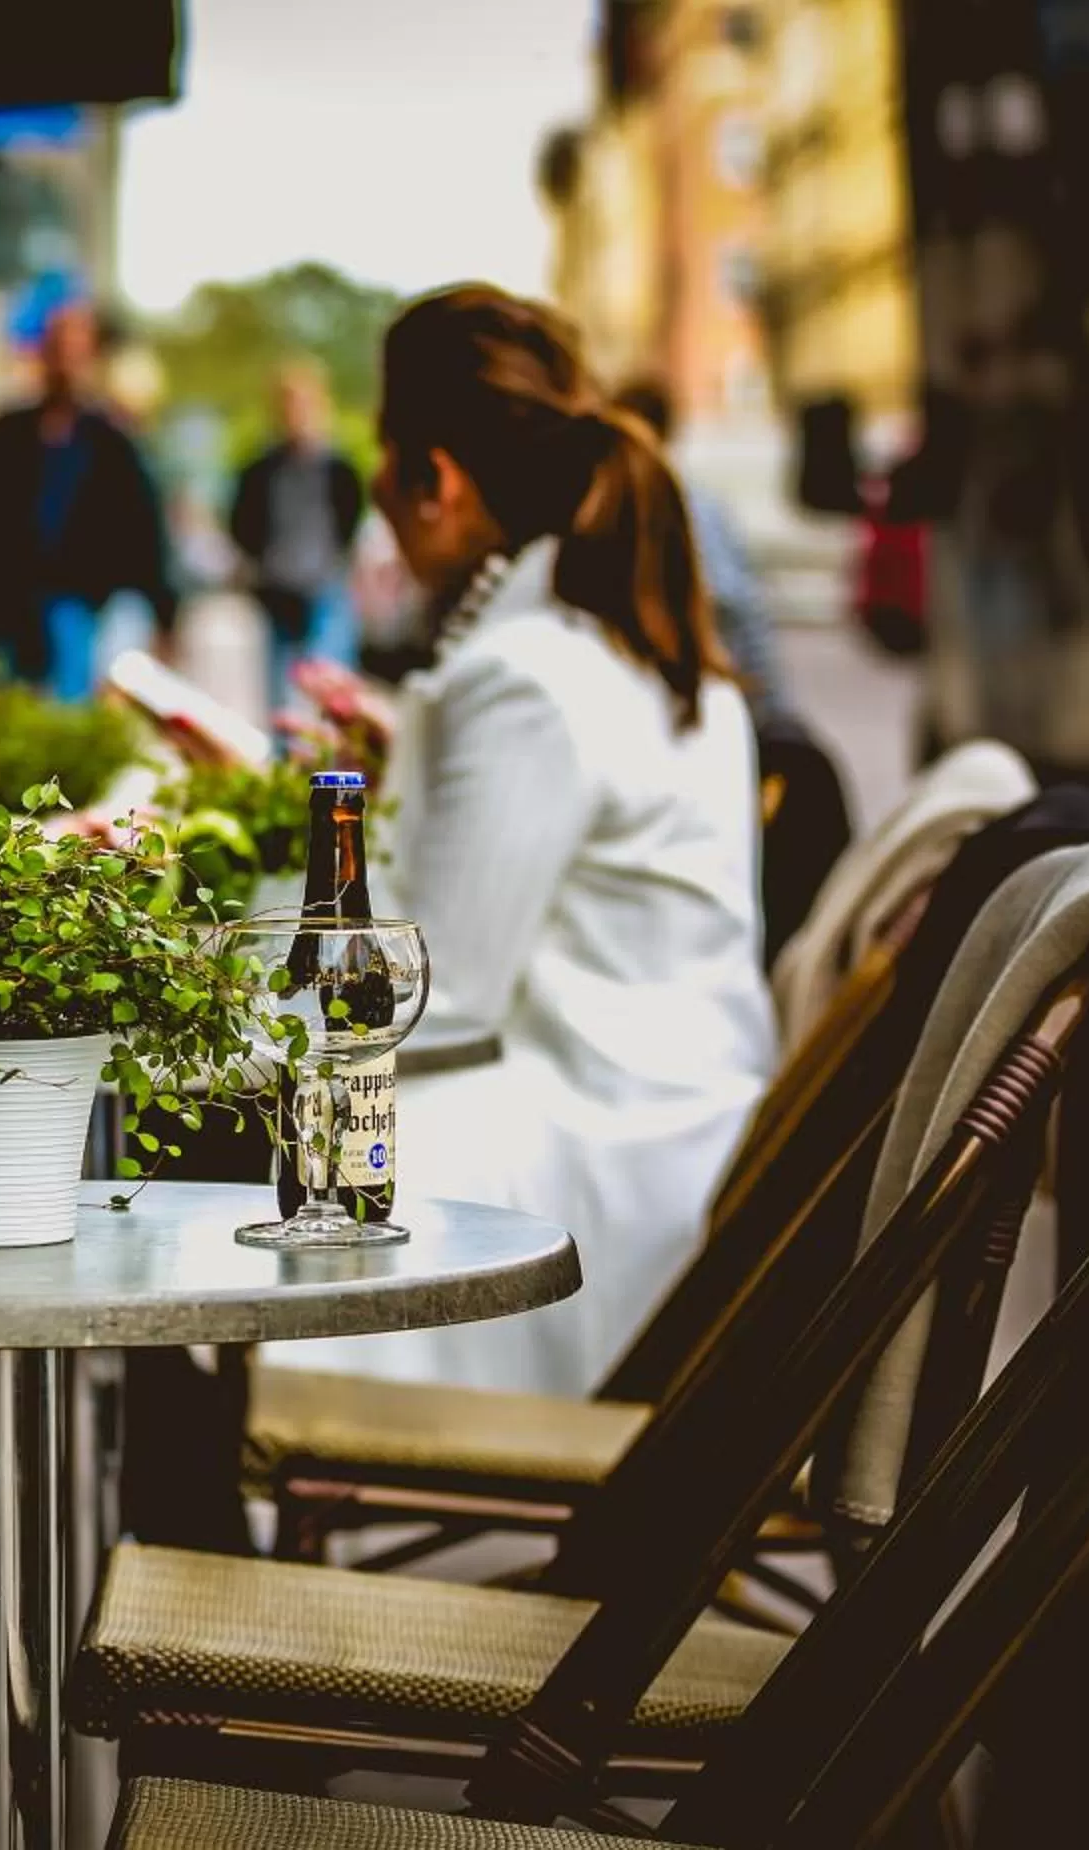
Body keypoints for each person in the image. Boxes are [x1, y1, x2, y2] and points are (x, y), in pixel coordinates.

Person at [275, 285, 777, 1398]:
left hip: (596, 1173)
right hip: (670, 1137)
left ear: (434, 480)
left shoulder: (526, 677)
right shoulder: (618, 640)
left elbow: (436, 995)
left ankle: (143, 1507)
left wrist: (210, 973)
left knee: (215, 1145)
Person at [0, 288, 175, 698]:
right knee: (8, 713)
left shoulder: (111, 441)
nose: (66, 362)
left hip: (77, 605)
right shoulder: (7, 431)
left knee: (66, 710)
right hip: (5, 602)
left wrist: (164, 614)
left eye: (76, 351)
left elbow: (143, 528)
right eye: (57, 349)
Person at [613, 377, 795, 728]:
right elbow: (744, 611)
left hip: (685, 692)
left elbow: (736, 607)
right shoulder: (697, 506)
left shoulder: (682, 507)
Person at [228, 358, 366, 718]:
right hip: (278, 587)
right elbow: (241, 522)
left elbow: (352, 519)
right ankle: (287, 769)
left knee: (330, 688)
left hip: (324, 586)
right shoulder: (261, 470)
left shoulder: (338, 467)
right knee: (280, 693)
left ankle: (331, 775)